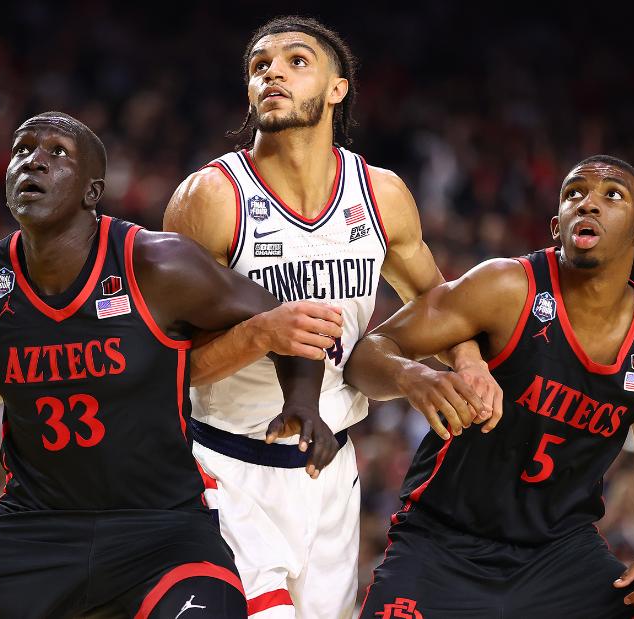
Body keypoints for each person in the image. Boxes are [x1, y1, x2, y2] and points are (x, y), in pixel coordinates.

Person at [0, 111, 342, 619]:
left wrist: (303, 401)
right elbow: (11, 363)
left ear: (91, 191)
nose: (32, 161)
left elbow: (289, 322)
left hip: (160, 531)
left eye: (57, 153)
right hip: (34, 527)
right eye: (21, 150)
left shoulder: (157, 265)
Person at [163, 16, 502, 618]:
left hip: (330, 473)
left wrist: (470, 363)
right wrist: (260, 334)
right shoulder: (211, 198)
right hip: (222, 467)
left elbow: (439, 302)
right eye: (260, 65)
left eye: (296, 61)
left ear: (339, 87)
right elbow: (157, 364)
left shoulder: (380, 194)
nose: (272, 72)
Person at [348, 155, 634, 619]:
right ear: (556, 225)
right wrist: (416, 377)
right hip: (445, 543)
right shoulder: (507, 287)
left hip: (560, 556)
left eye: (612, 195)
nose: (588, 203)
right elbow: (367, 353)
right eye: (573, 193)